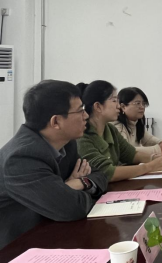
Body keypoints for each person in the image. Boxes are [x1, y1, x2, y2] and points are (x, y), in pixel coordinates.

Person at [0, 80, 108, 249]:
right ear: (56, 122)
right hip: (21, 247)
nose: (86, 116)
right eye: (80, 110)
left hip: (56, 233)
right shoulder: (21, 158)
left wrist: (79, 183)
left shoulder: (67, 143)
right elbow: (72, 208)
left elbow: (100, 175)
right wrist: (65, 192)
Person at [76, 81, 162, 182]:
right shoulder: (82, 137)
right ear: (98, 107)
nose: (118, 106)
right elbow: (107, 173)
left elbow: (130, 154)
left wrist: (153, 158)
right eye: (114, 101)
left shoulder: (110, 129)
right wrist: (150, 166)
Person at [112, 87, 162, 155]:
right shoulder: (117, 127)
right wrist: (158, 149)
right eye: (137, 103)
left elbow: (148, 139)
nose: (142, 107)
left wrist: (161, 142)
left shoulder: (135, 122)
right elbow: (127, 151)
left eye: (143, 103)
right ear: (123, 107)